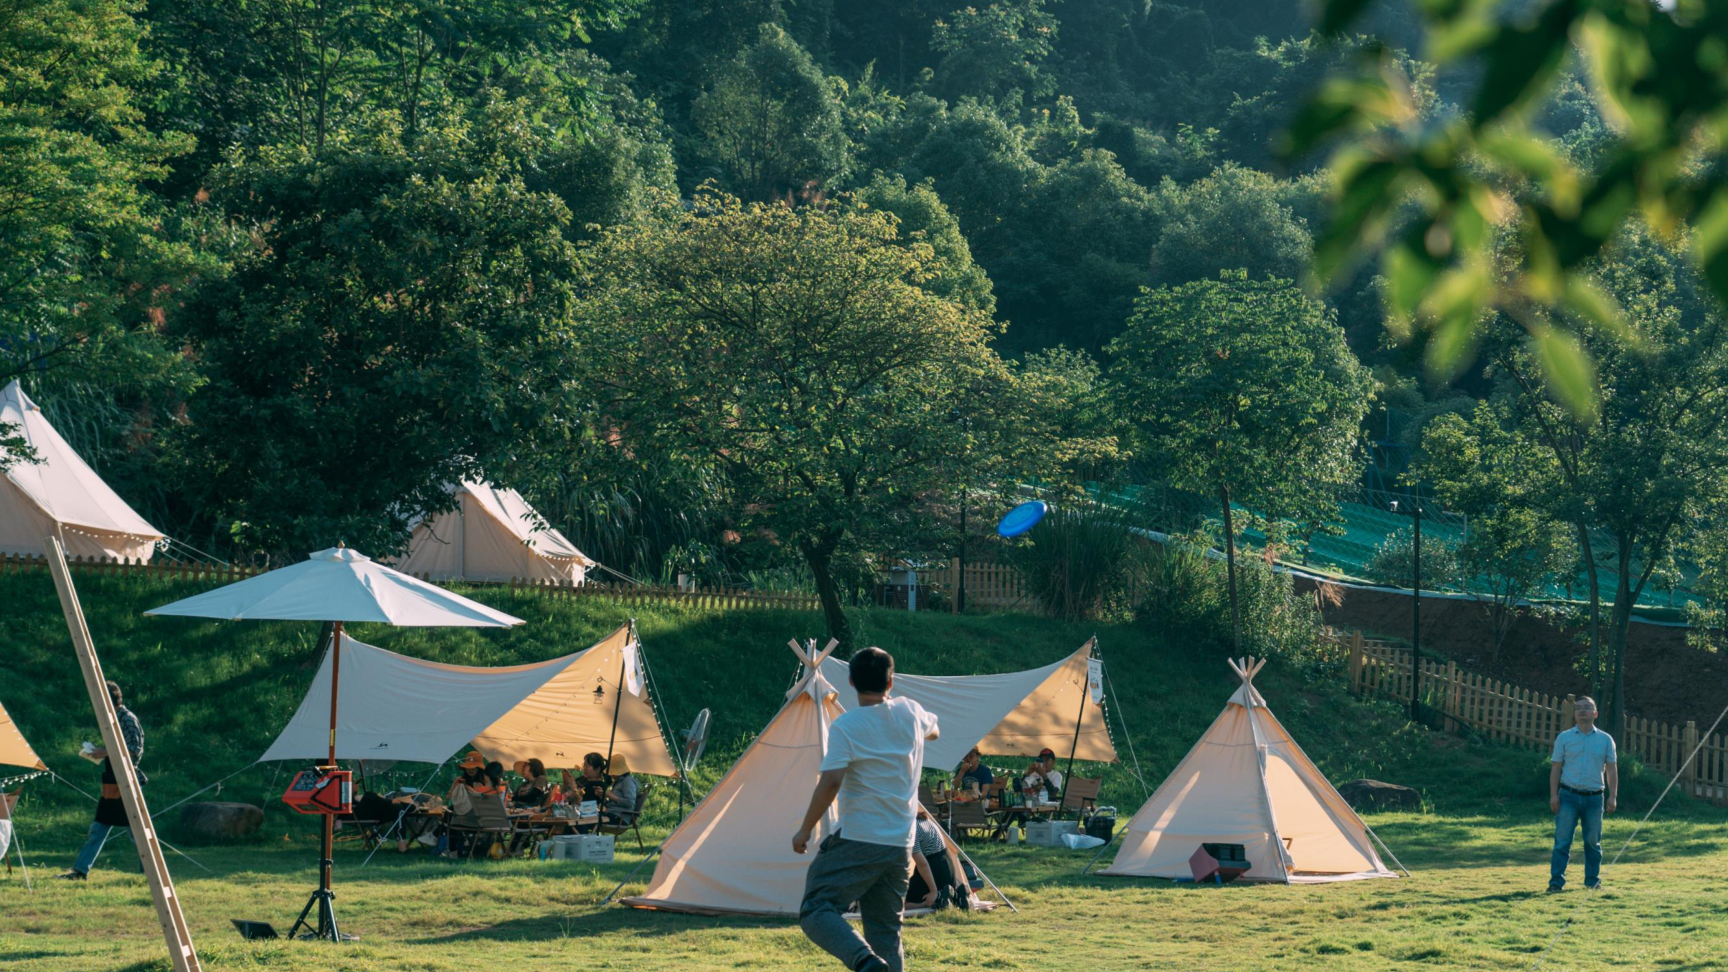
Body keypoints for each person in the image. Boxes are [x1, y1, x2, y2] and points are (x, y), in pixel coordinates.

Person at [794, 646, 939, 972]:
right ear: (891, 682)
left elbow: (831, 781)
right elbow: (935, 730)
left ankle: (864, 961)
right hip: (901, 845)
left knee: (816, 907)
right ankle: (875, 962)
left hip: (860, 838)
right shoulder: (911, 712)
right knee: (886, 933)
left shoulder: (848, 726)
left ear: (850, 681)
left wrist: (805, 829)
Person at [60, 680, 144, 880]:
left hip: (126, 782)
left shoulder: (127, 719)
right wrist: (101, 753)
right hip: (111, 782)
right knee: (98, 829)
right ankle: (80, 871)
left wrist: (103, 752)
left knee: (137, 833)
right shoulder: (114, 719)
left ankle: (148, 873)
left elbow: (134, 750)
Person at [1548, 696, 1617, 892]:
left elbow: (1611, 769)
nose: (1582, 711)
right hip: (1568, 796)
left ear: (1595, 714)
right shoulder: (1564, 738)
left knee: (1592, 842)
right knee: (1562, 842)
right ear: (1574, 714)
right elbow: (1556, 768)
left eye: (1587, 708)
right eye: (1578, 708)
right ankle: (1555, 884)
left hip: (1595, 798)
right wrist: (1554, 795)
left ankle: (1592, 882)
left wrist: (1613, 796)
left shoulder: (1605, 739)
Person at [905, 809, 961, 910]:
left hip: (934, 868)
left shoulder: (910, 830)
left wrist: (933, 891)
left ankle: (933, 901)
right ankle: (956, 894)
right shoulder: (925, 820)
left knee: (901, 903)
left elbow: (923, 864)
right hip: (947, 864)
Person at [602, 754, 638, 825]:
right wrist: (604, 796)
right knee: (589, 817)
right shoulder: (618, 781)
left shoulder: (628, 781)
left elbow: (629, 803)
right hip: (611, 813)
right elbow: (614, 802)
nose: (611, 775)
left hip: (620, 817)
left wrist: (611, 796)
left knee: (592, 821)